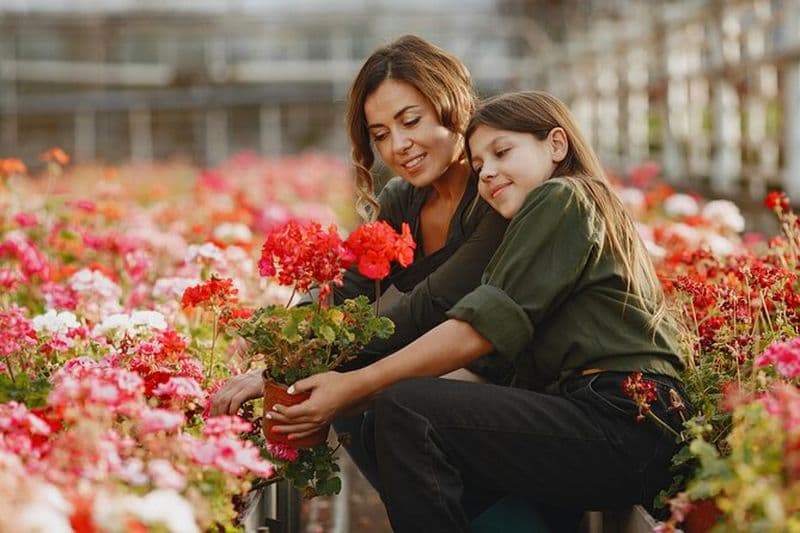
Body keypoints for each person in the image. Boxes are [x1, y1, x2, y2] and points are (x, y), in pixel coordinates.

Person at [267, 91, 690, 532]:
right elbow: (480, 365)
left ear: (557, 145)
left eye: (502, 152)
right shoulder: (542, 222)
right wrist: (342, 385)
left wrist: (356, 385)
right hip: (598, 422)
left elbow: (476, 331)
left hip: (626, 420)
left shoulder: (563, 197)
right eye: (480, 163)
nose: (488, 172)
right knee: (391, 405)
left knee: (407, 409)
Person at [209, 35, 511, 485]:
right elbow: (346, 290)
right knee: (347, 405)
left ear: (454, 103)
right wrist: (277, 348)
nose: (399, 146)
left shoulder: (496, 194)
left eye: (411, 121)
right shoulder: (401, 199)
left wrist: (292, 372)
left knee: (366, 398)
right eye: (381, 135)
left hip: (508, 380)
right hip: (436, 372)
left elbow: (428, 302)